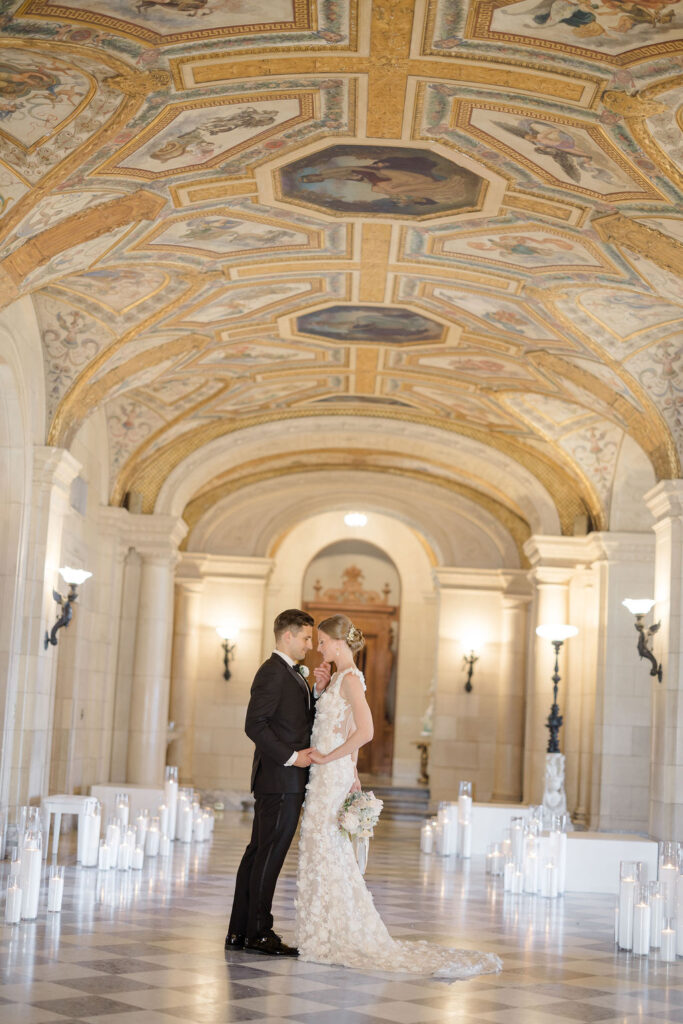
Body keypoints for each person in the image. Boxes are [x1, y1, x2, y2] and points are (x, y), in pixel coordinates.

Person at [295, 613, 502, 979]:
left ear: (339, 643)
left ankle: (332, 935)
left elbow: (367, 730)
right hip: (328, 778)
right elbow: (336, 726)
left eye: (323, 641)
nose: (319, 647)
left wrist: (330, 758)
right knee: (322, 849)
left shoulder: (353, 680)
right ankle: (323, 932)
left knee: (328, 849)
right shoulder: (337, 679)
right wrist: (352, 768)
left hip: (329, 773)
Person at [225, 608, 330, 957]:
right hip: (280, 779)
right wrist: (292, 757)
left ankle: (240, 931)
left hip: (282, 781)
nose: (309, 645)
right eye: (305, 637)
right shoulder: (272, 672)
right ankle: (259, 933)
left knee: (258, 855)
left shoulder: (291, 674)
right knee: (268, 856)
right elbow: (254, 725)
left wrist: (317, 692)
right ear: (288, 636)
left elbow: (294, 720)